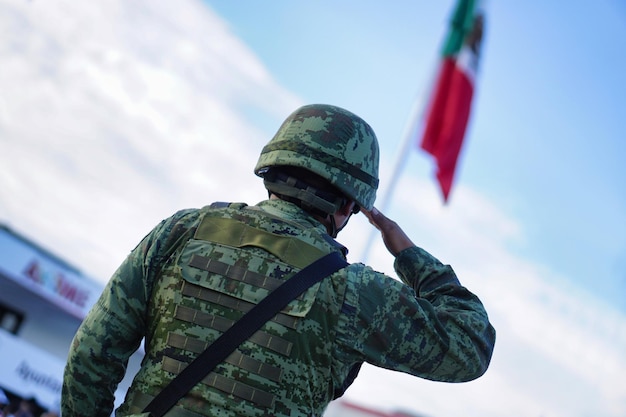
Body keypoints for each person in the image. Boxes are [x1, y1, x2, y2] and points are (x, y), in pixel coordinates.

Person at [62, 104, 495, 417]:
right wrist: (410, 254)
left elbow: (92, 354)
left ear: (272, 167)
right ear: (349, 206)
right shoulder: (356, 293)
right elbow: (470, 347)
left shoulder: (182, 231)